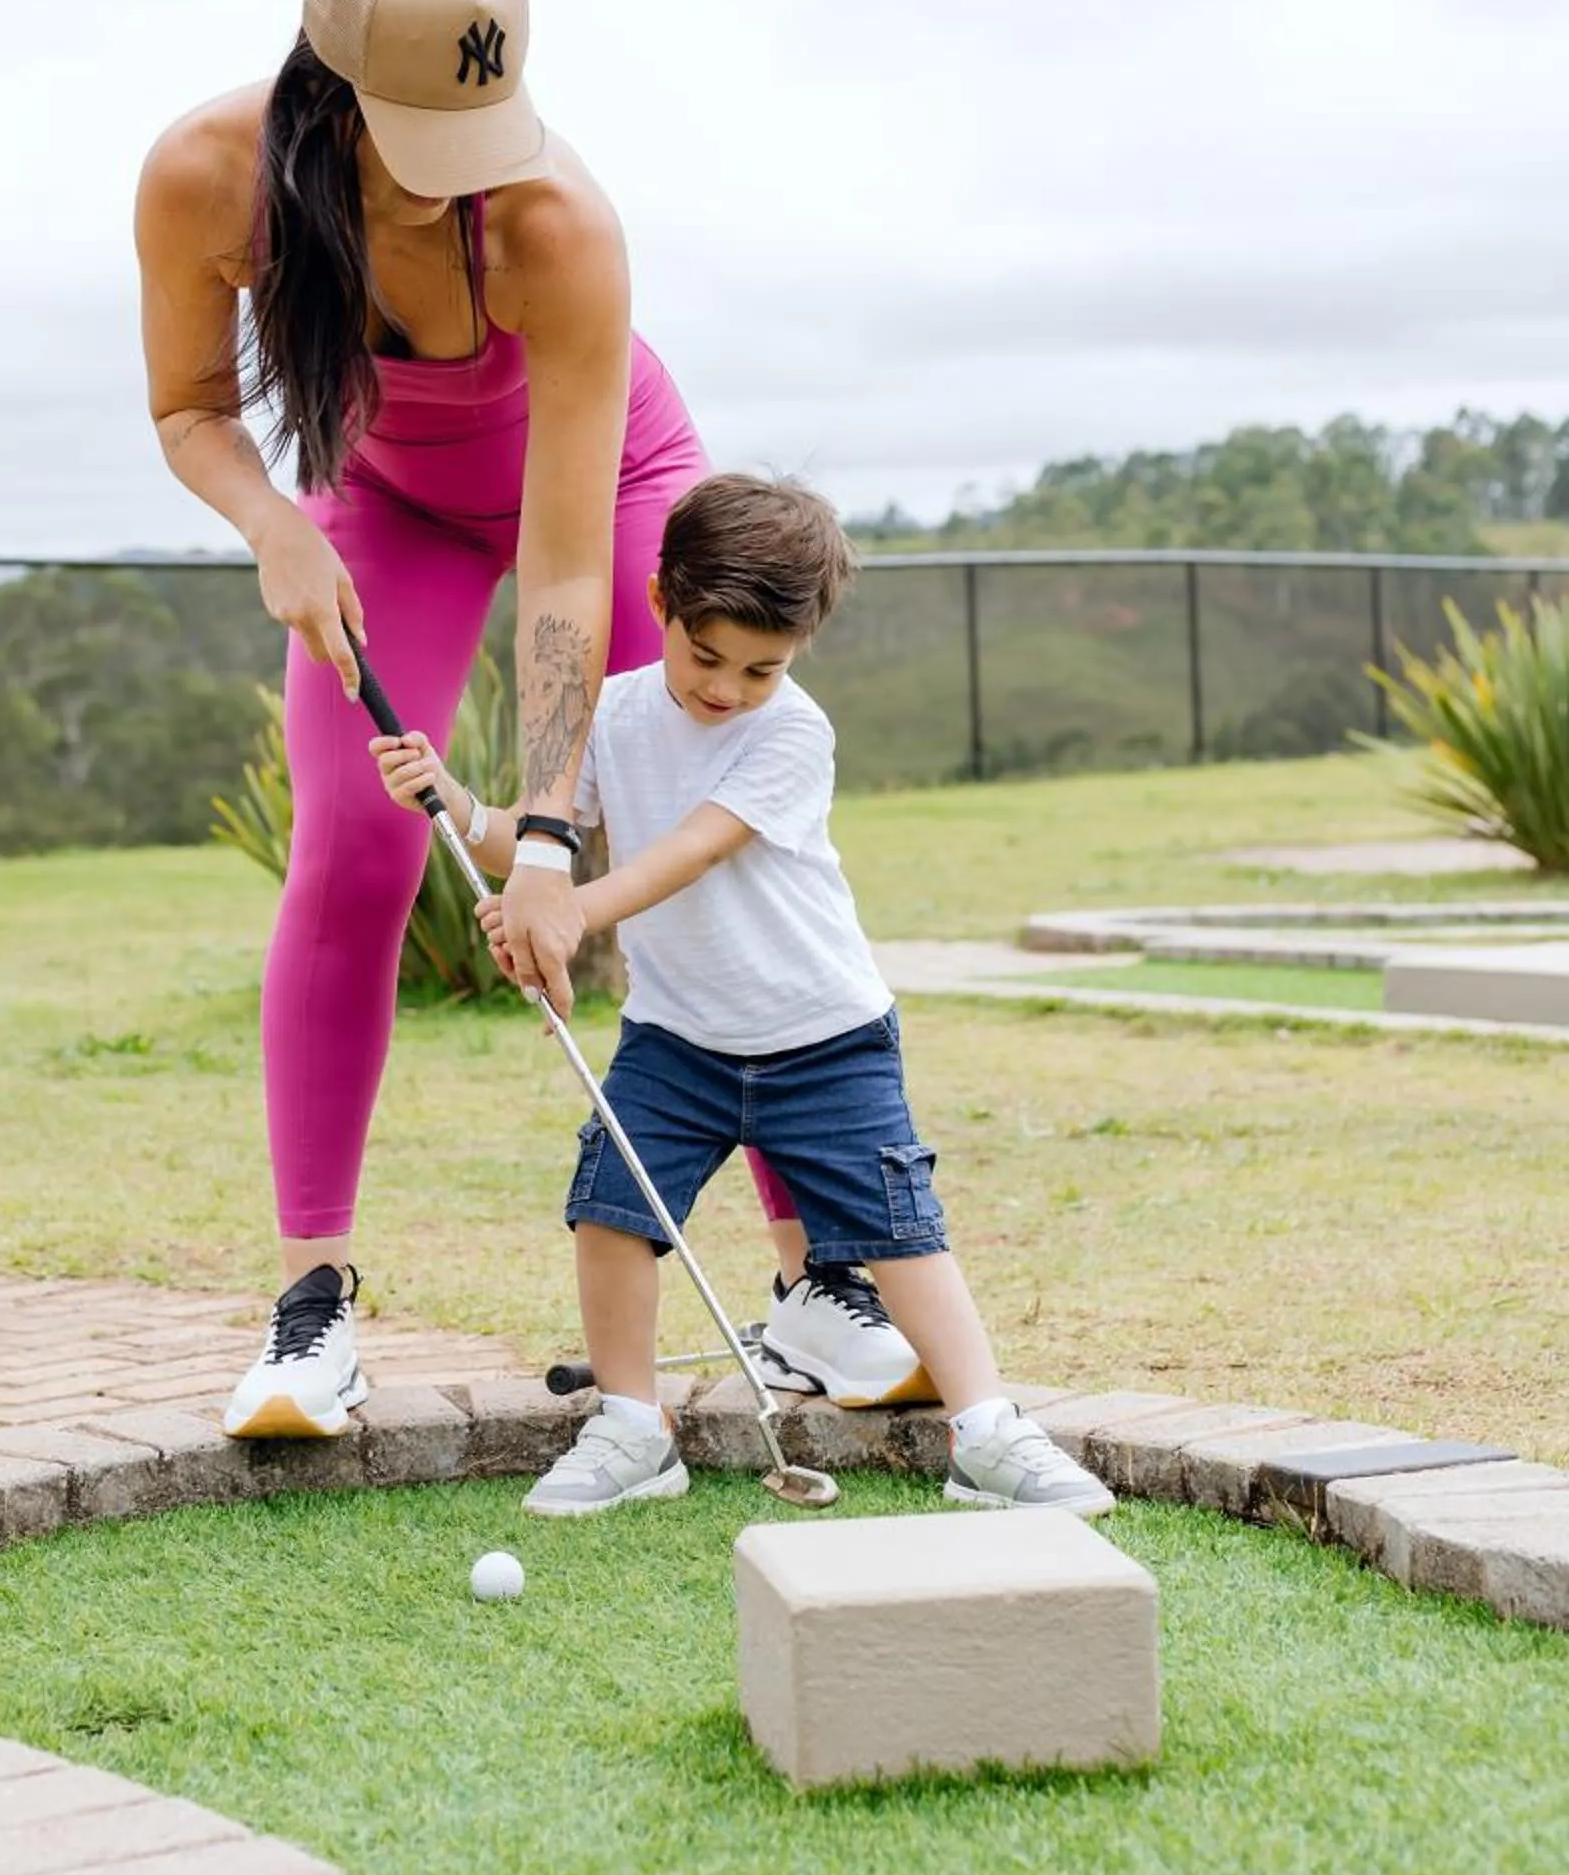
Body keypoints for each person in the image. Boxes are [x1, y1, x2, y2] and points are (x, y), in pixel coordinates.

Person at [135, 0, 920, 1437]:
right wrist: (274, 526)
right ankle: (312, 1308)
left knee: (708, 842)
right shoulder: (202, 175)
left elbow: (564, 572)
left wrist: (548, 840)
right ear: (330, 92)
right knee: (355, 849)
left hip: (612, 490)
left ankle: (819, 1282)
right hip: (386, 507)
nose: (464, 175)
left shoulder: (556, 222)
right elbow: (189, 410)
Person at [372, 471, 1116, 1520]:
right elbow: (531, 839)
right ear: (659, 603)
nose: (726, 688)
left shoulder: (792, 734)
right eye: (706, 655)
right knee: (610, 1211)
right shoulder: (611, 712)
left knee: (899, 1231)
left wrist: (567, 913)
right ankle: (633, 1427)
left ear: (799, 649)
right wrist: (453, 802)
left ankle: (986, 1432)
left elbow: (689, 852)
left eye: (761, 668)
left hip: (825, 1038)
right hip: (676, 1040)